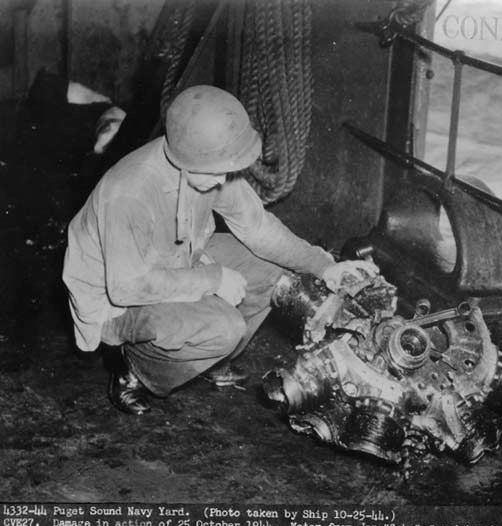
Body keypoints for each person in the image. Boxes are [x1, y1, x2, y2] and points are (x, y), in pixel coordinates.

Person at [62, 85, 377, 415]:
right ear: (183, 159)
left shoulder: (207, 163)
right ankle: (134, 369)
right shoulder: (130, 193)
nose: (223, 180)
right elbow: (127, 286)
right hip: (119, 293)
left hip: (179, 255)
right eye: (216, 173)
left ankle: (210, 359)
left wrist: (323, 266)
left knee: (274, 276)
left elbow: (259, 228)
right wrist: (212, 279)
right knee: (226, 328)